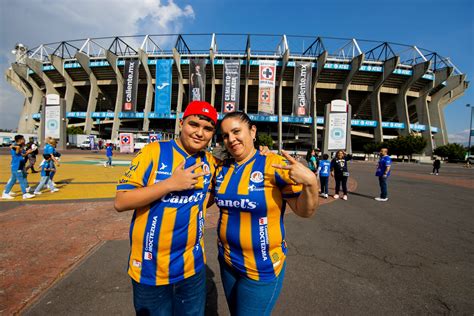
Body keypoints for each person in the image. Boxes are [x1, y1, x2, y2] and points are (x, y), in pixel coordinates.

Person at [114, 101, 218, 315]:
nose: (200, 133)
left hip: (192, 266)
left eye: (207, 128)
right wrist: (170, 184)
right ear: (181, 123)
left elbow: (212, 193)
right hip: (150, 267)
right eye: (194, 124)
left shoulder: (211, 161)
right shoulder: (153, 152)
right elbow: (121, 201)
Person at [214, 112, 319, 315]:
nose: (231, 139)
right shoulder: (222, 169)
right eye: (225, 135)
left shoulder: (274, 164)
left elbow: (305, 211)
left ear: (253, 131)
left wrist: (311, 183)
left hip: (262, 267)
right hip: (227, 261)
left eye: (236, 132)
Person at [2, 135, 35, 200]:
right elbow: (17, 153)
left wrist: (28, 152)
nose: (24, 140)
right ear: (20, 140)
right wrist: (16, 147)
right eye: (23, 139)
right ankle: (24, 194)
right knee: (21, 179)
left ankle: (6, 193)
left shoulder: (19, 146)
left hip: (19, 164)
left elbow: (22, 154)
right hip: (16, 165)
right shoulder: (15, 146)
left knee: (13, 180)